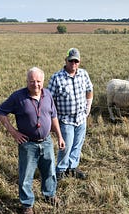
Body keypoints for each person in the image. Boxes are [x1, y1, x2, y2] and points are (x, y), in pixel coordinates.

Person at [0, 67, 65, 214]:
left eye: (39, 81)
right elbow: (0, 112)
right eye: (32, 81)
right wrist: (14, 132)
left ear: (43, 81)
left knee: (49, 171)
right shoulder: (18, 97)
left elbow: (53, 116)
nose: (36, 84)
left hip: (46, 141)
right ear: (27, 81)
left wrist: (59, 136)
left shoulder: (48, 95)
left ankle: (49, 195)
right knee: (26, 174)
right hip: (28, 144)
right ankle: (27, 204)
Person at [47, 48, 93, 181]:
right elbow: (49, 100)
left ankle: (72, 168)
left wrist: (88, 107)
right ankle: (61, 170)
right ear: (65, 60)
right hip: (65, 119)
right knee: (65, 146)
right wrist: (51, 119)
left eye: (76, 61)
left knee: (77, 145)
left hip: (81, 118)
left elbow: (90, 89)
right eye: (71, 60)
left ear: (79, 62)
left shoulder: (83, 74)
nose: (73, 63)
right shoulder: (56, 78)